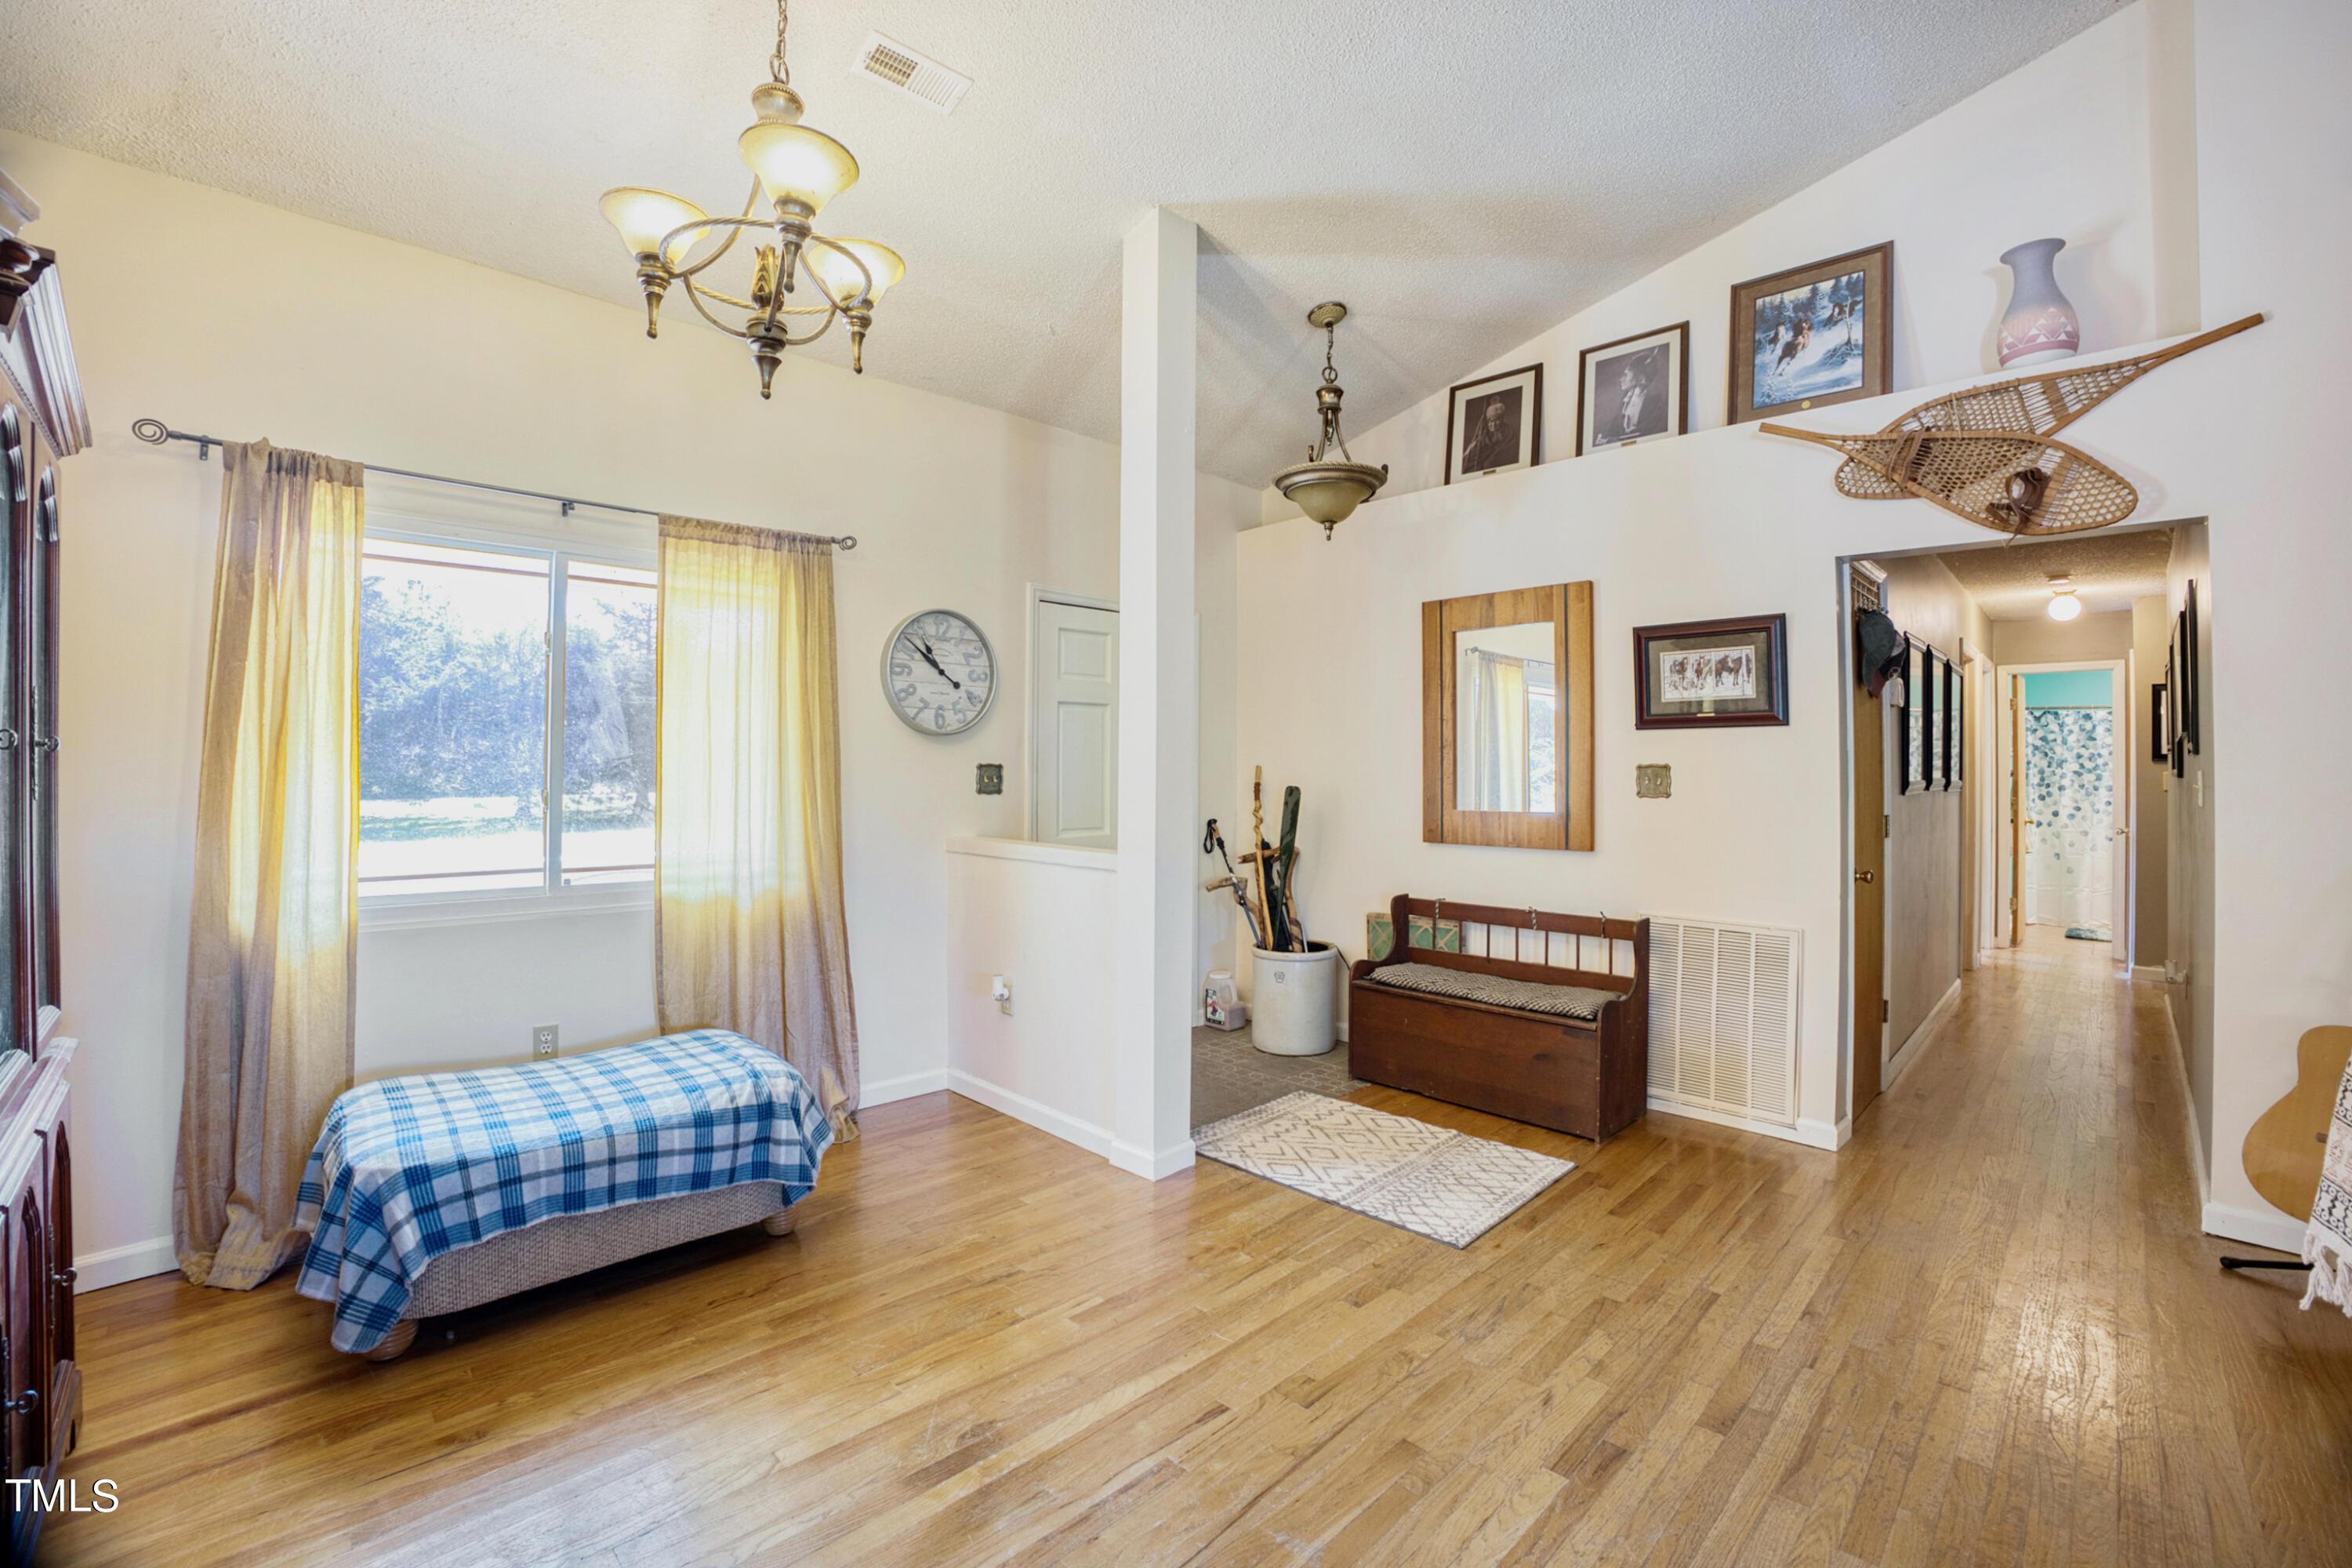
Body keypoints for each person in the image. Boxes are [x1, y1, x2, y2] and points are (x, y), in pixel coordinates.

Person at [1460, 393, 1519, 473]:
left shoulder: (1509, 432)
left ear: (1502, 419)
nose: (1493, 424)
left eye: (1497, 420)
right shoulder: (1484, 433)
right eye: (1491, 421)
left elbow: (1508, 450)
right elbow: (1474, 450)